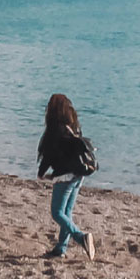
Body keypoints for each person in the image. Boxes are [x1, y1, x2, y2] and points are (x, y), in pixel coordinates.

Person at [36, 93, 97, 260]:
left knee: (57, 213)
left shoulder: (55, 130)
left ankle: (81, 237)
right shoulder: (73, 127)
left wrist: (41, 173)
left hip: (65, 176)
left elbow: (48, 155)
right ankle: (61, 249)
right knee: (67, 212)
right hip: (79, 174)